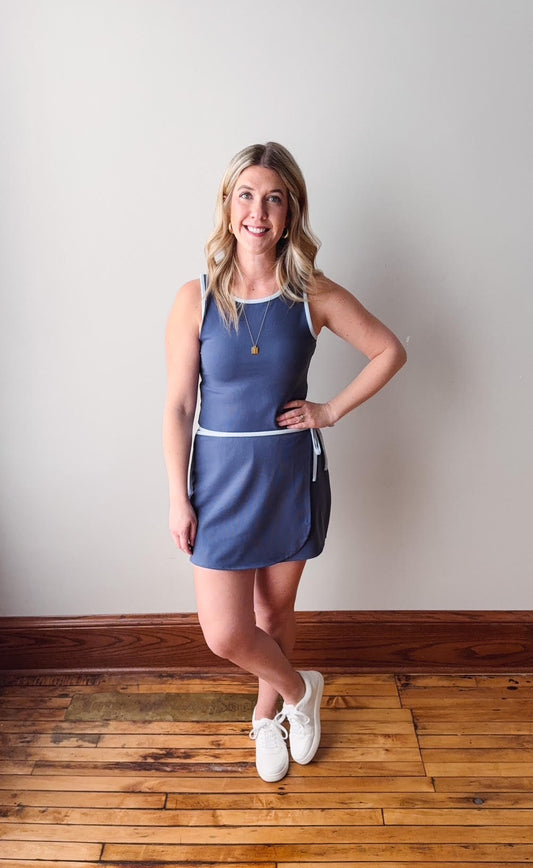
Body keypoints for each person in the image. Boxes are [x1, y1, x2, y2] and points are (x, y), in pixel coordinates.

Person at [163, 142, 406, 783]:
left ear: (290, 209)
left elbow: (388, 350)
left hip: (288, 474)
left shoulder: (310, 294)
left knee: (273, 614)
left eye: (274, 197)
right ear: (229, 205)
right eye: (247, 195)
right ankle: (302, 692)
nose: (258, 211)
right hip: (217, 481)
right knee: (224, 631)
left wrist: (329, 411)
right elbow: (178, 405)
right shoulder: (195, 297)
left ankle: (266, 717)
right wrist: (176, 494)